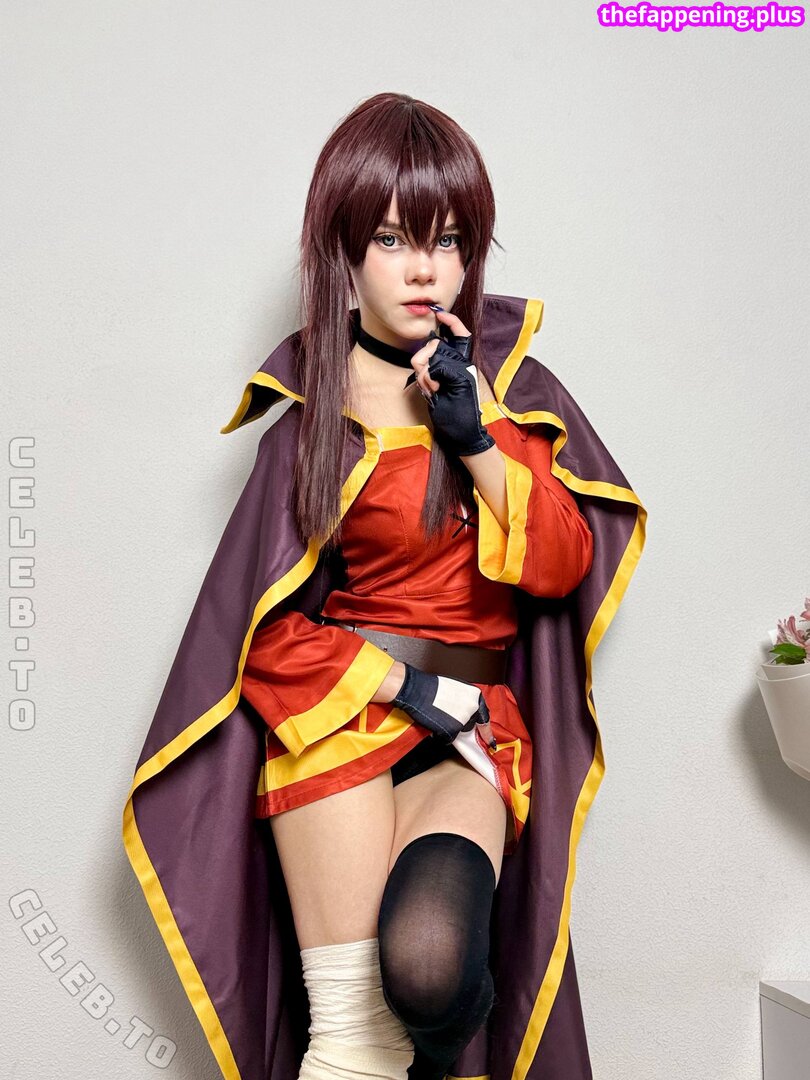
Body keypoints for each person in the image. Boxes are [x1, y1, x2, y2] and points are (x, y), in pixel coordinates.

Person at [123, 91, 647, 1080]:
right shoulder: (309, 417)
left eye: (447, 242)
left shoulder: (512, 392)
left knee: (433, 972)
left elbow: (561, 564)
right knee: (357, 1039)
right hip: (342, 720)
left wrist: (475, 437)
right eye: (394, 240)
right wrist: (410, 687)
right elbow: (260, 633)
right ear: (346, 251)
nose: (423, 269)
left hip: (473, 731)